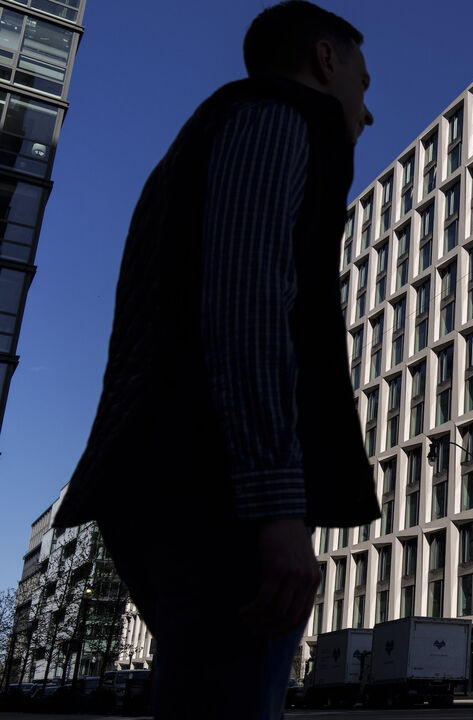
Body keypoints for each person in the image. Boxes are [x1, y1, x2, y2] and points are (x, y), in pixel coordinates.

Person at [53, 2, 379, 716]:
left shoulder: (192, 151)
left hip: (164, 479)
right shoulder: (277, 119)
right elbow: (247, 298)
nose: (370, 109)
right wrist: (274, 504)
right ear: (326, 59)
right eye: (365, 78)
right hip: (215, 493)